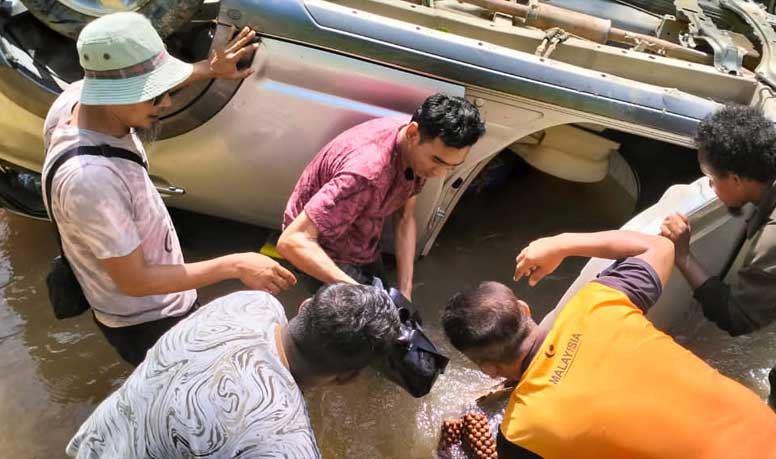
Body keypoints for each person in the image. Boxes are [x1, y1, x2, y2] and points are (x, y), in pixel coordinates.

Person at [41, 12, 296, 366]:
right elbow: (136, 281)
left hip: (148, 291)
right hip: (148, 318)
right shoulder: (92, 182)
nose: (167, 103)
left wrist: (206, 69)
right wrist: (235, 264)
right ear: (111, 96)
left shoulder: (72, 101)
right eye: (153, 96)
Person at [442, 230, 776, 459]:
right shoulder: (597, 303)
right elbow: (658, 246)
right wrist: (561, 243)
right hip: (762, 431)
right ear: (524, 309)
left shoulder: (521, 431)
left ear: (487, 368)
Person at [66, 284, 400, 458]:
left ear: (305, 306)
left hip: (98, 443)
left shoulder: (251, 303)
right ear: (348, 376)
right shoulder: (286, 446)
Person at [661, 105, 776, 428]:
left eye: (712, 179)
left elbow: (737, 317)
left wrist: (684, 254)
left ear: (736, 179)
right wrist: (767, 139)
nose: (712, 188)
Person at [277, 94, 485, 299]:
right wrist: (362, 295)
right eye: (437, 161)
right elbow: (292, 241)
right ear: (413, 133)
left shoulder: (414, 144)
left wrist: (406, 290)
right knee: (360, 324)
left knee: (393, 313)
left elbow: (405, 217)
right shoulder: (365, 175)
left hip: (362, 241)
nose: (439, 173)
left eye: (451, 166)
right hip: (324, 252)